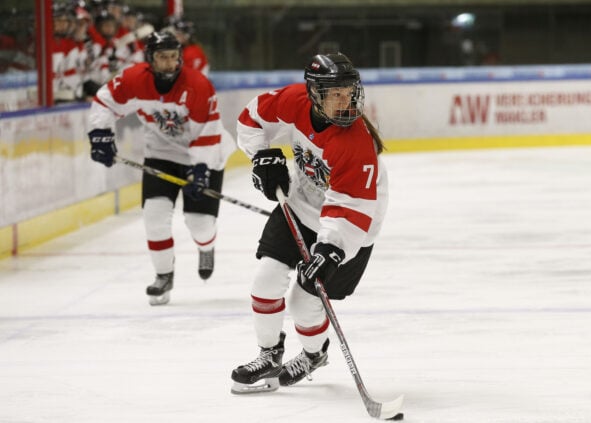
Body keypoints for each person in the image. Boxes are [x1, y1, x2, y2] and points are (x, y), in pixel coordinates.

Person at [230, 53, 388, 393]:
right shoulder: (292, 102)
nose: (346, 101)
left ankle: (314, 354)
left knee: (303, 302)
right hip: (300, 206)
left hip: (351, 228)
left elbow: (351, 205)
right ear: (315, 93)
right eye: (336, 94)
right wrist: (261, 155)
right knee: (265, 280)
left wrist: (331, 247)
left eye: (349, 92)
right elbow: (251, 117)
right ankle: (269, 355)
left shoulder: (356, 141)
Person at [87, 31, 236, 306]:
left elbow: (209, 131)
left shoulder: (198, 85)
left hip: (206, 154)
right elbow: (104, 101)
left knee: (199, 224)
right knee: (154, 218)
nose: (169, 63)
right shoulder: (134, 80)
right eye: (162, 57)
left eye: (173, 57)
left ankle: (207, 245)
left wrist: (200, 169)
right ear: (150, 59)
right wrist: (100, 134)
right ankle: (163, 276)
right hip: (161, 154)